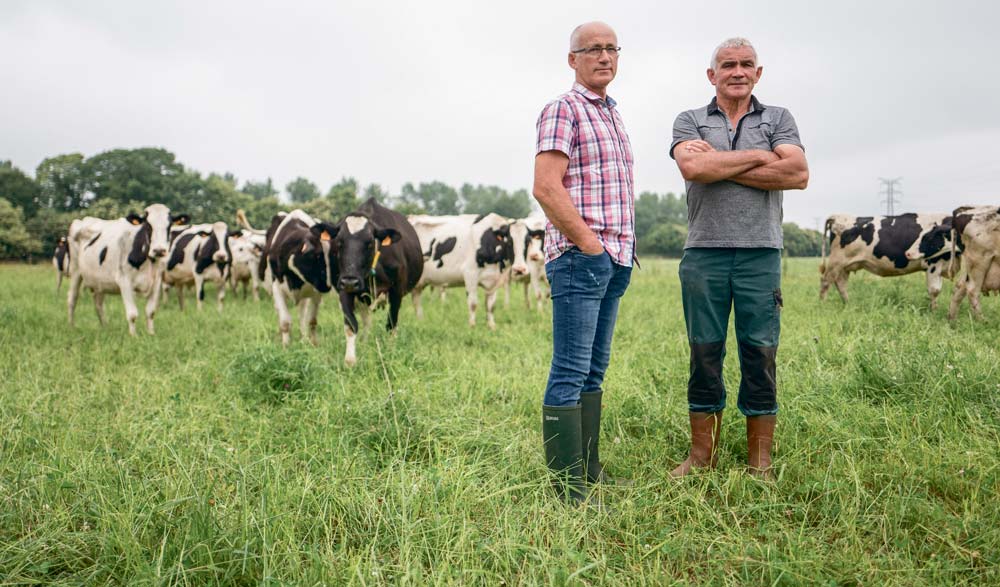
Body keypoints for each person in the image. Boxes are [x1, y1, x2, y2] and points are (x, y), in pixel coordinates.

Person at [668, 38, 808, 479]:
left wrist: (723, 163)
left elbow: (798, 173)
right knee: (704, 352)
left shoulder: (778, 118)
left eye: (747, 64)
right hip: (703, 255)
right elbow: (695, 170)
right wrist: (761, 158)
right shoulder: (689, 120)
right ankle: (701, 456)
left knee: (760, 352)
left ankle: (759, 461)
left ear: (758, 73)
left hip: (760, 254)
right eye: (727, 64)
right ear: (712, 75)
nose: (738, 71)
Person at [532, 21, 635, 503]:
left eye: (612, 48)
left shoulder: (613, 115)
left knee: (595, 370)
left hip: (616, 259)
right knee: (571, 369)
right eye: (593, 49)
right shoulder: (563, 109)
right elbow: (547, 188)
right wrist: (591, 247)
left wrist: (615, 255)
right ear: (572, 59)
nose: (604, 56)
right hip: (581, 257)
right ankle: (565, 487)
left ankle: (588, 470)